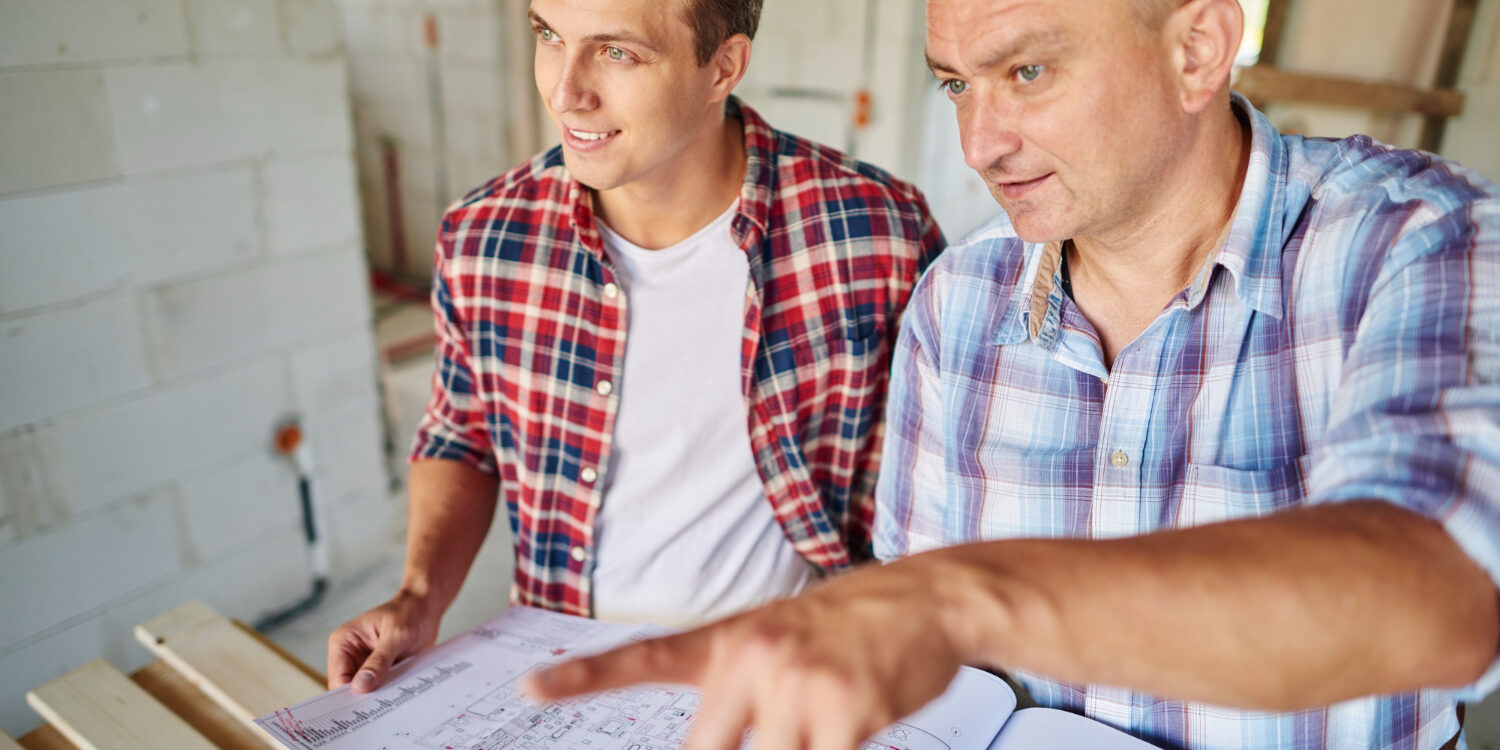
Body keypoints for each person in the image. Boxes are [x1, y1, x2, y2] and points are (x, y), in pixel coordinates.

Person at [524, 0, 1500, 748]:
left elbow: (1446, 600)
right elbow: (945, 688)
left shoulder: (1420, 240)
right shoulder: (958, 302)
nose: (979, 142)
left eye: (1026, 72)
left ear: (1196, 48)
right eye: (955, 84)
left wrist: (956, 600)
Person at [326, 0, 944, 694]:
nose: (566, 92)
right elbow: (463, 433)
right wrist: (419, 594)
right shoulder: (484, 239)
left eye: (617, 52)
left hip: (792, 679)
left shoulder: (876, 234)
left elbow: (924, 493)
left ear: (724, 68)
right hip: (569, 678)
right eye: (549, 36)